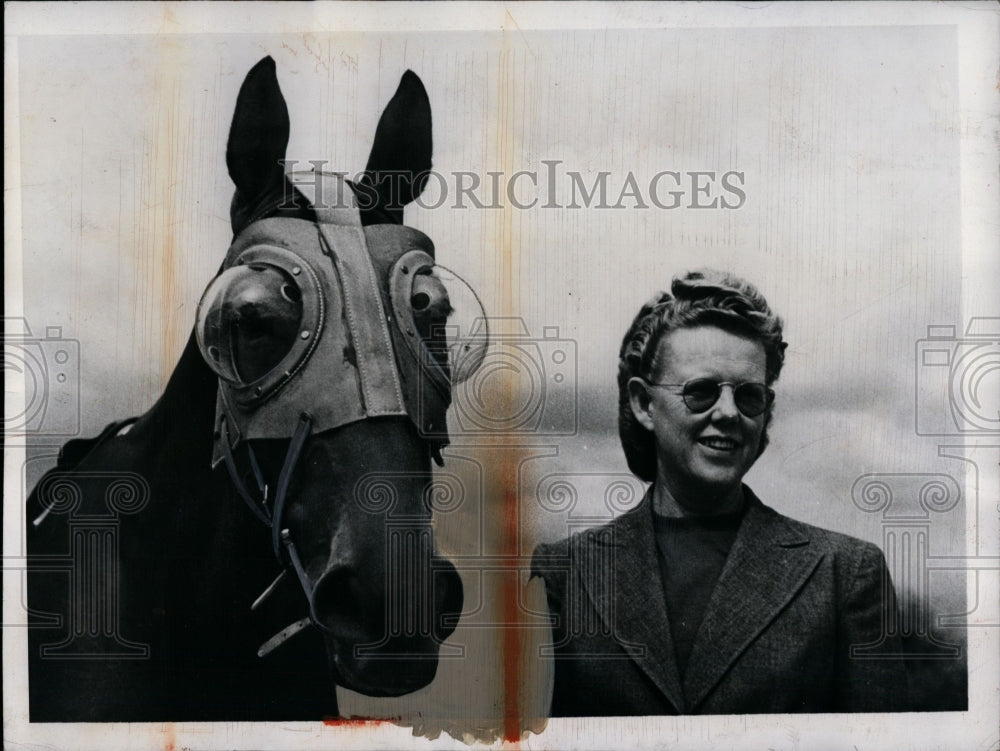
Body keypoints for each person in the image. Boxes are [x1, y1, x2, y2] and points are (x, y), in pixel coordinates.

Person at [531, 269, 909, 715]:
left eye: (749, 396)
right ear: (643, 403)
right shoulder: (565, 573)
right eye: (701, 391)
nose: (728, 412)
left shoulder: (845, 575)